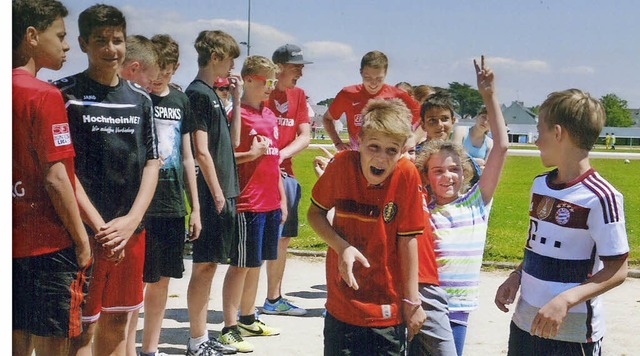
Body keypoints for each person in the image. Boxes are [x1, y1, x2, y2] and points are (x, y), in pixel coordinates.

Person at [53, 4, 161, 355]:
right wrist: (100, 228)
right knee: (81, 332)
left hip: (130, 233)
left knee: (118, 322)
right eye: (101, 40)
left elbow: (151, 163)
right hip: (85, 233)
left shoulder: (141, 99)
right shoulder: (63, 95)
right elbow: (63, 169)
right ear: (83, 43)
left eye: (117, 40)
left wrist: (131, 221)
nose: (110, 49)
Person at [494, 89, 629, 356]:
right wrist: (516, 275)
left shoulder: (601, 197)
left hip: (571, 334)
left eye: (539, 131)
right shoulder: (539, 185)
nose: (536, 141)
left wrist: (566, 301)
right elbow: (537, 245)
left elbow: (618, 270)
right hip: (525, 323)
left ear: (557, 133)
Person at [308, 98, 427, 354]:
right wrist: (343, 247)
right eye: (374, 146)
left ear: (402, 150)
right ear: (359, 140)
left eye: (392, 150)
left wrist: (412, 301)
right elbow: (315, 214)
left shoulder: (406, 174)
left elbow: (408, 240)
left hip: (387, 304)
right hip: (343, 302)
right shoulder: (341, 165)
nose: (382, 158)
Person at [414, 56, 508, 356]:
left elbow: (502, 147)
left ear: (465, 171)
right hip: (423, 304)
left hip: (457, 310)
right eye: (438, 171)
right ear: (426, 177)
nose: (447, 176)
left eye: (453, 169)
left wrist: (489, 95)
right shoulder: (422, 207)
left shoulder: (476, 203)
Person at [12, 1, 92, 354]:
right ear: (31, 36)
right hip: (46, 244)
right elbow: (56, 177)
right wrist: (82, 239)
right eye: (59, 36)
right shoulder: (43, 95)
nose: (66, 45)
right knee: (51, 341)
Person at [134, 33, 202, 356]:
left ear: (176, 68)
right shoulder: (137, 98)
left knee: (161, 283)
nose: (161, 75)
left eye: (169, 69)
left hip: (172, 205)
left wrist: (196, 207)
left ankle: (150, 348)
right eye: (157, 67)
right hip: (140, 207)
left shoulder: (180, 101)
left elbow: (188, 157)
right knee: (135, 284)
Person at [218, 55, 285, 353]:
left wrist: (282, 199)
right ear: (247, 80)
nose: (270, 87)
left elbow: (274, 160)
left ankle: (248, 318)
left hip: (270, 202)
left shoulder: (269, 115)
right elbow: (225, 158)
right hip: (249, 203)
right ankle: (229, 327)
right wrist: (251, 155)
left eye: (272, 82)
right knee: (241, 266)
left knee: (256, 264)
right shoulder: (238, 115)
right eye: (265, 81)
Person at [184, 29, 243, 356]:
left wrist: (235, 99)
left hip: (224, 191)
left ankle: (200, 337)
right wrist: (218, 195)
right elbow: (201, 151)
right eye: (230, 58)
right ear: (217, 57)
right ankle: (196, 340)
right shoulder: (198, 95)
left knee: (209, 266)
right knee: (204, 267)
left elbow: (232, 143)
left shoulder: (212, 94)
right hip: (212, 195)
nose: (232, 66)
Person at [262, 43, 313, 317]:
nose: (301, 73)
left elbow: (304, 135)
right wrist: (269, 159)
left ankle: (274, 297)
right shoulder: (264, 92)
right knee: (258, 236)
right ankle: (243, 307)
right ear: (279, 67)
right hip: (260, 175)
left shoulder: (299, 95)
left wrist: (280, 155)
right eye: (297, 67)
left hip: (286, 174)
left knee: (283, 238)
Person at [322, 50, 421, 151]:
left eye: (379, 79)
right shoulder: (347, 94)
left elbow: (422, 117)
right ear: (361, 72)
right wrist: (337, 142)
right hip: (358, 154)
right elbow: (327, 119)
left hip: (387, 156)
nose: (373, 84)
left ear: (386, 74)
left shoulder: (398, 95)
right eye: (368, 78)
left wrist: (413, 138)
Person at [451, 106, 494, 172]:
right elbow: (454, 156)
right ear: (477, 117)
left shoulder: (490, 143)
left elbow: (486, 168)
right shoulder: (460, 131)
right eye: (483, 117)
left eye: (489, 121)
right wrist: (476, 161)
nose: (485, 122)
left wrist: (465, 159)